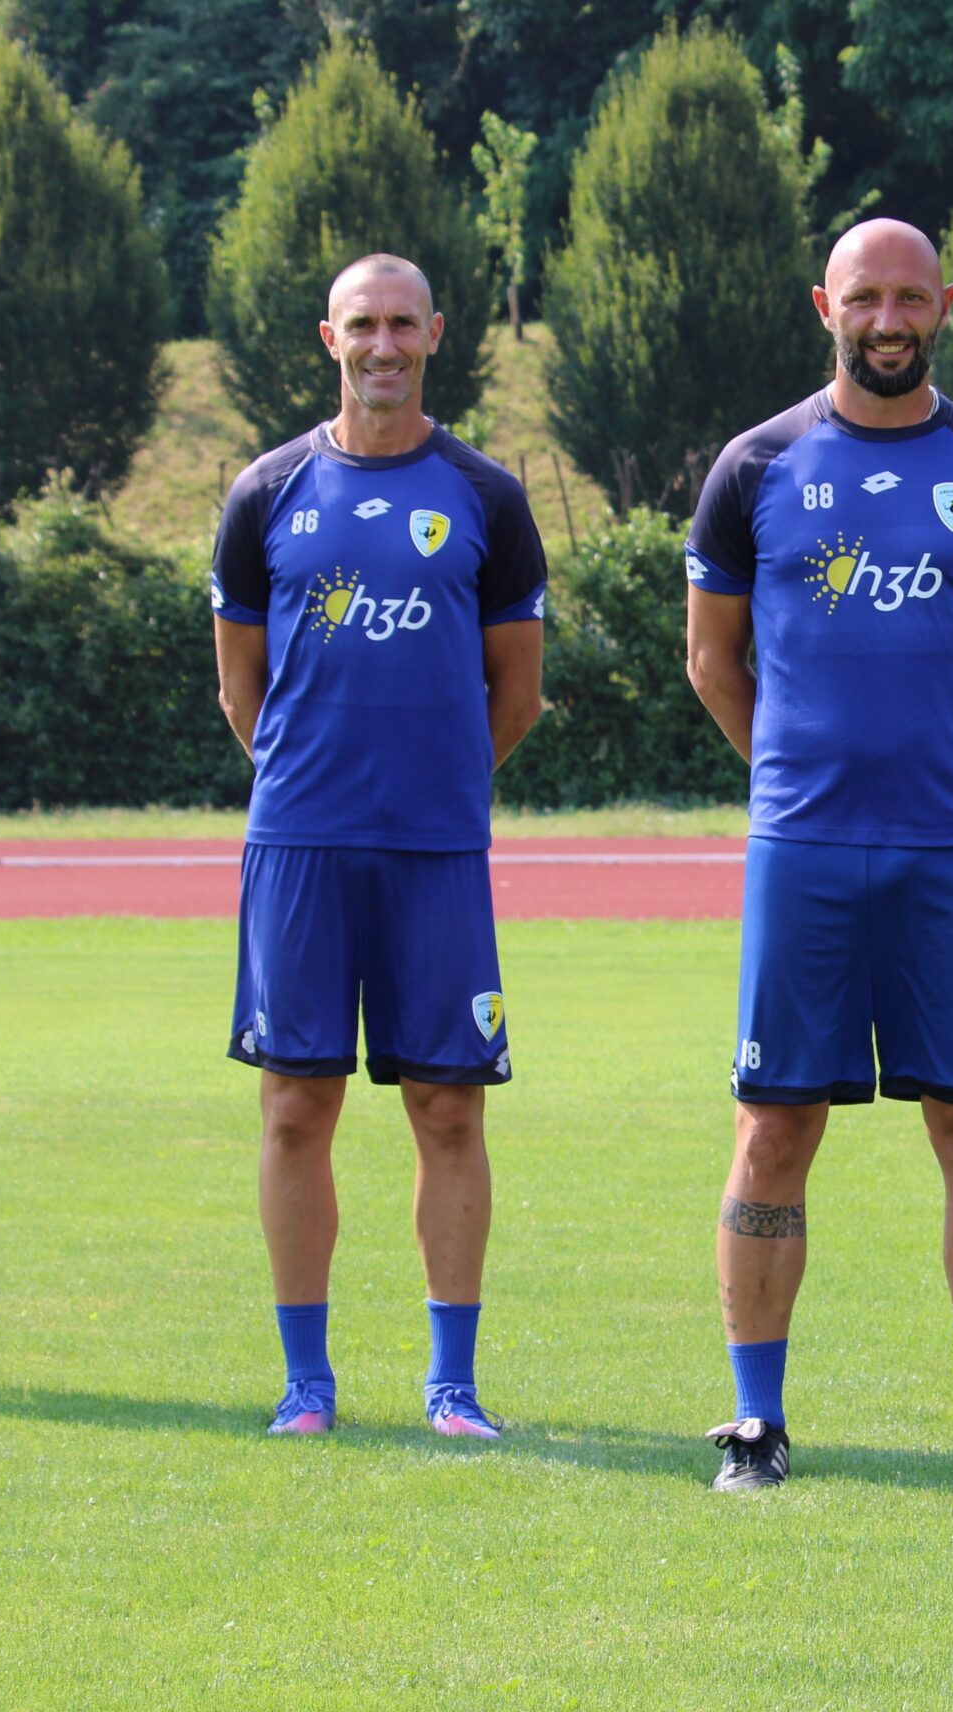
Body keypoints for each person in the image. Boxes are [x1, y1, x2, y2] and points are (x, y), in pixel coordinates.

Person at [683, 218, 953, 1490]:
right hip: (803, 850)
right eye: (865, 298)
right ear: (824, 306)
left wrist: (945, 765)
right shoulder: (756, 465)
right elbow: (712, 661)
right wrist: (798, 773)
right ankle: (755, 1419)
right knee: (773, 1129)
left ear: (945, 304)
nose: (888, 319)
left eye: (910, 297)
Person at [209, 254, 546, 1439]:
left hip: (436, 850)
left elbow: (514, 694)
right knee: (296, 1108)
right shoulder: (265, 490)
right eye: (363, 324)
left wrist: (431, 782)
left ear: (437, 334)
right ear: (329, 337)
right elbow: (242, 692)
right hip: (300, 845)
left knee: (449, 1112)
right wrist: (322, 780)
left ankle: (451, 1386)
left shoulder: (487, 497)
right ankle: (307, 1382)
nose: (384, 344)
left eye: (404, 323)